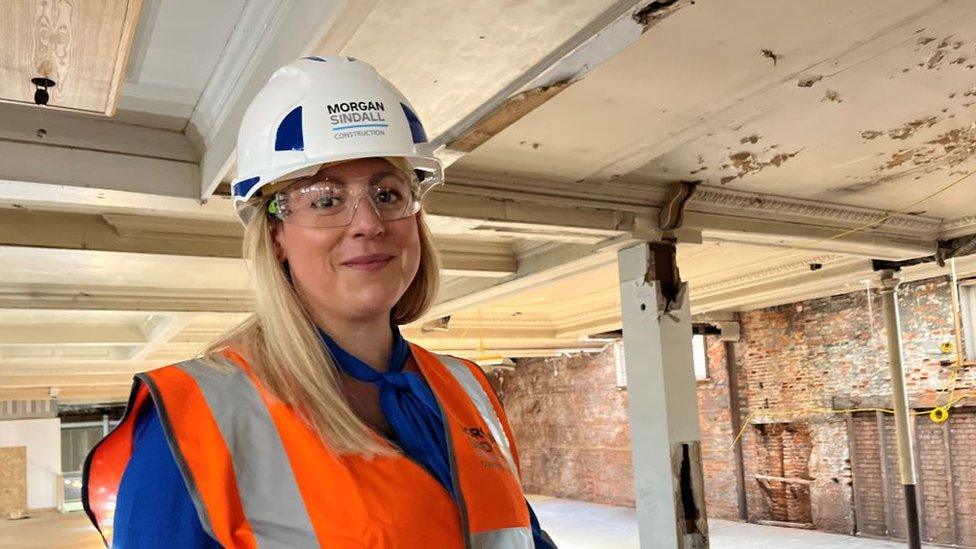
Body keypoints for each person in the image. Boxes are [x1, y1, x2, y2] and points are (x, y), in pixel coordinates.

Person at [82, 56, 556, 548]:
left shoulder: (468, 388)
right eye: (326, 199)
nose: (368, 222)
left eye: (389, 194)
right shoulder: (195, 421)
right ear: (276, 234)